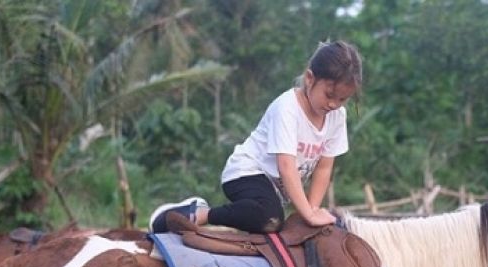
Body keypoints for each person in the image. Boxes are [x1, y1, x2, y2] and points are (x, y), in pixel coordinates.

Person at [149, 40, 363, 234]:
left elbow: (324, 167)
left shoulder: (336, 116)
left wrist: (314, 209)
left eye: (342, 99)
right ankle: (202, 213)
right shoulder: (288, 108)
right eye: (329, 95)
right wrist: (307, 213)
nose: (333, 104)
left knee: (272, 217)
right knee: (269, 219)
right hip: (246, 173)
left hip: (272, 192)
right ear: (309, 79)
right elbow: (286, 166)